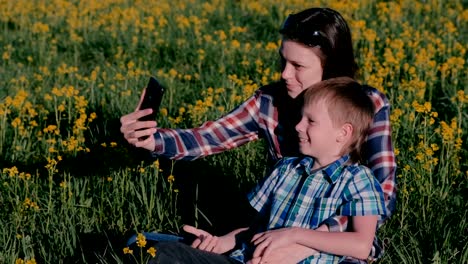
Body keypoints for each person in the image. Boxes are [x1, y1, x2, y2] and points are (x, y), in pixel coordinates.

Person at [120, 7, 396, 263]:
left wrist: (304, 239)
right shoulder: (271, 102)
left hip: (335, 251)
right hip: (262, 240)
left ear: (330, 70)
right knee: (140, 246)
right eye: (283, 61)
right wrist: (151, 139)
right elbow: (209, 137)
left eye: (298, 66)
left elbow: (381, 197)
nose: (285, 74)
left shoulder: (367, 105)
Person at [130, 77, 387, 264]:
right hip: (244, 259)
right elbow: (255, 230)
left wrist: (294, 236)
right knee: (157, 251)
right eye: (300, 118)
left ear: (343, 133)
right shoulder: (286, 169)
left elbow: (361, 245)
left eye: (310, 121)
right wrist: (221, 242)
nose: (297, 126)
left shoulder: (358, 180)